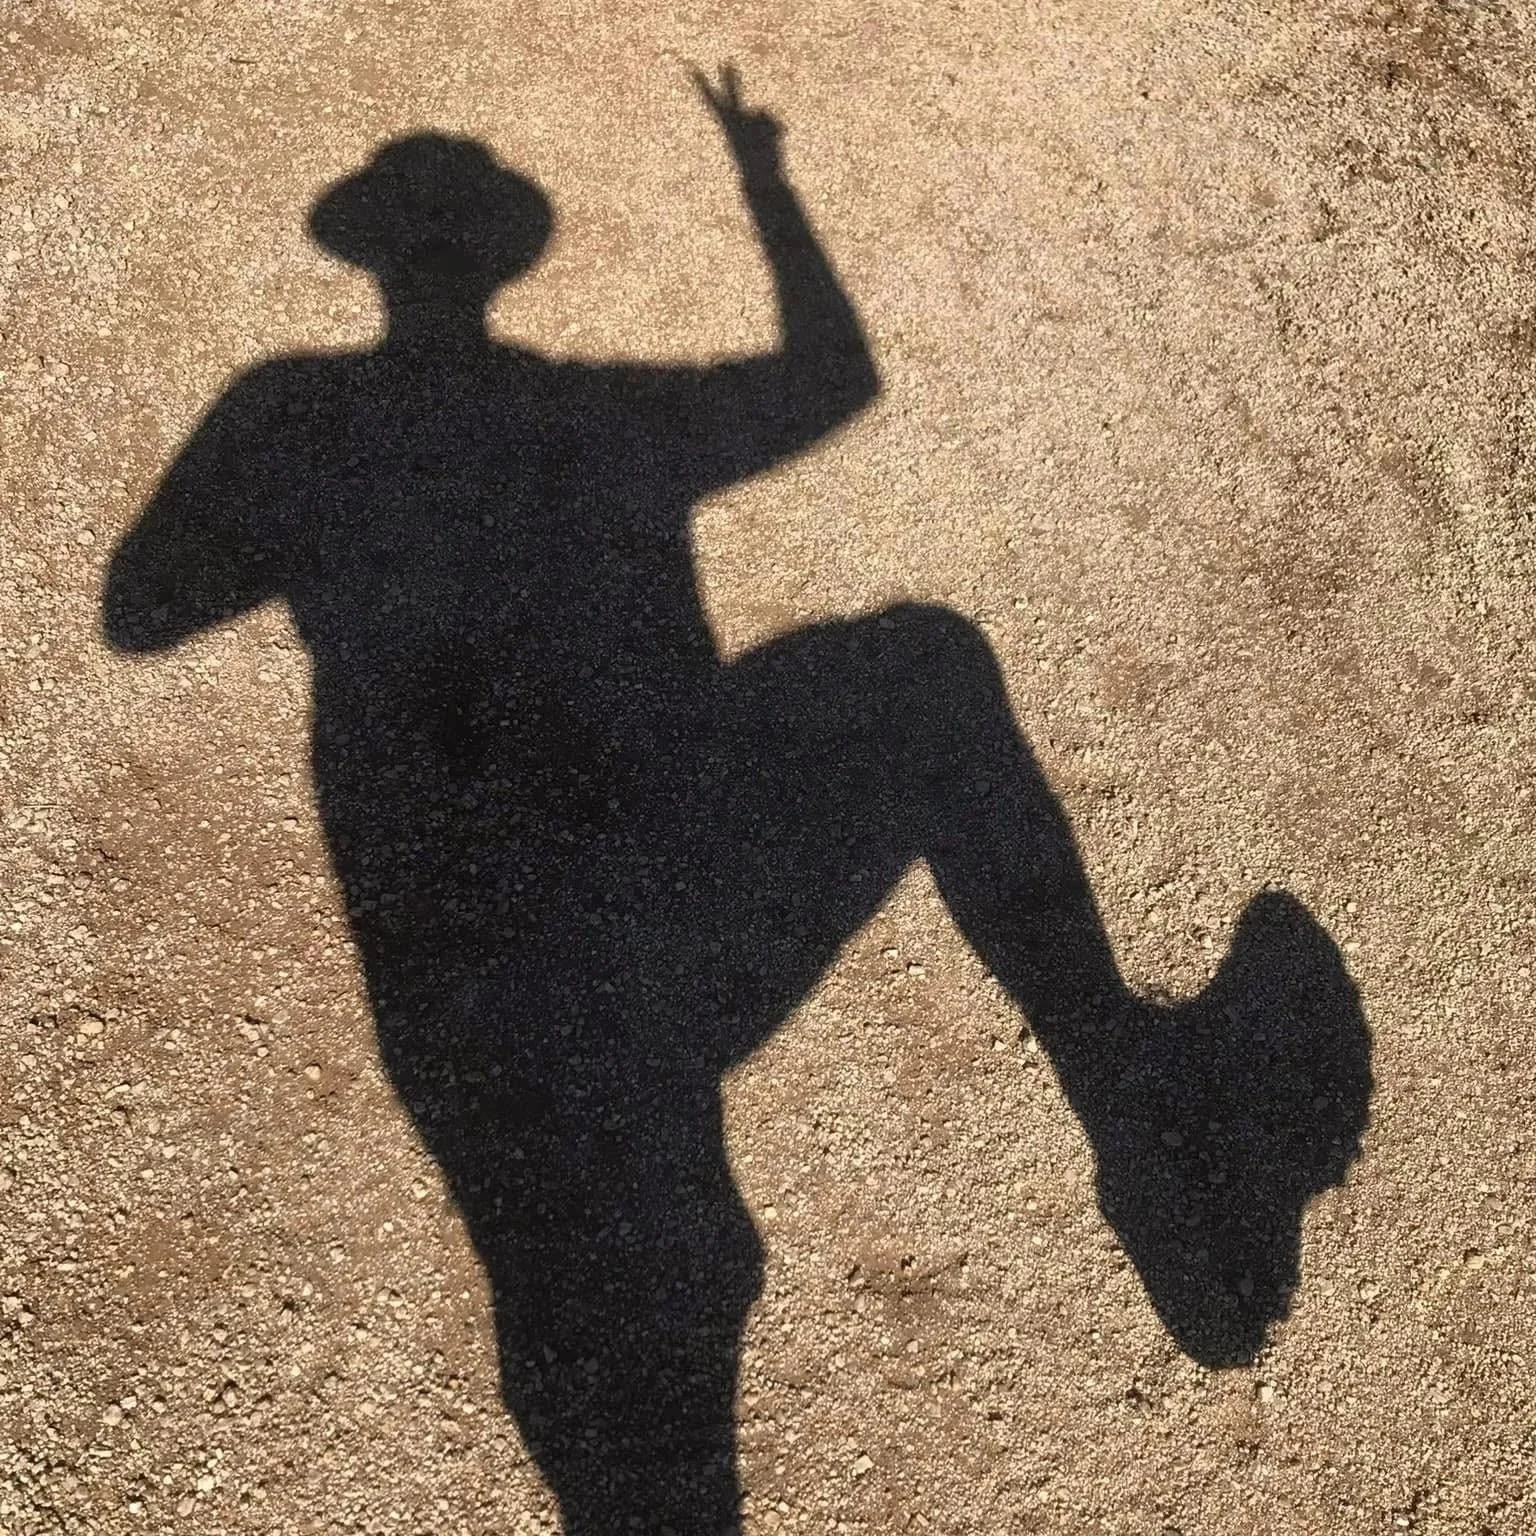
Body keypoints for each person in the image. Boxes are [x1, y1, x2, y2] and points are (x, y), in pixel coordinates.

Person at [104, 67, 1369, 1535]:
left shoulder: (300, 413)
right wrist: (765, 184)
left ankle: (1130, 1100)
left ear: (379, 257)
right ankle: (1120, 1083)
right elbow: (837, 377)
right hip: (661, 935)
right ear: (494, 258)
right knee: (924, 675)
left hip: (495, 989)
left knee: (640, 1322)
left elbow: (142, 610)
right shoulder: (584, 418)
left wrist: (326, 531)